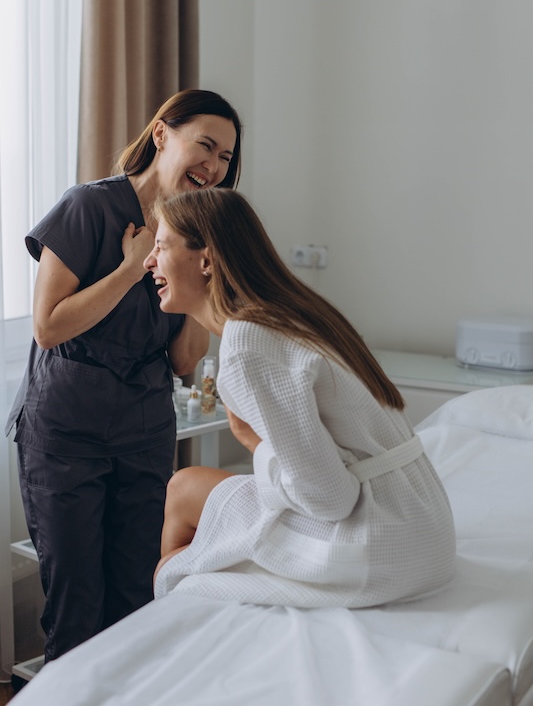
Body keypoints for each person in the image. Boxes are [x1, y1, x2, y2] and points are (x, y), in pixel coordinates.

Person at [5, 90, 243, 661]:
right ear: (162, 134)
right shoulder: (88, 208)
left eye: (227, 158)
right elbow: (48, 328)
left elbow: (185, 361)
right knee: (76, 605)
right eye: (205, 145)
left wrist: (202, 273)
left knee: (140, 595)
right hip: (65, 433)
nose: (214, 166)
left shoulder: (197, 230)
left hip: (142, 431)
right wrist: (131, 267)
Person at [144, 188, 456, 609]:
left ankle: (167, 622)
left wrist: (253, 442)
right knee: (183, 487)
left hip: (379, 545)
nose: (149, 261)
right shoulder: (292, 314)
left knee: (173, 572)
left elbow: (329, 499)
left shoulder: (248, 342)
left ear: (206, 260)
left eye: (160, 246)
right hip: (423, 523)